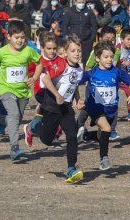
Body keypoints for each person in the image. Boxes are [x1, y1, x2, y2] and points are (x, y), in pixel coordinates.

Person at [25, 35, 85, 184]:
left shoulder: (80, 68)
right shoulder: (61, 66)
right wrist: (57, 95)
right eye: (73, 51)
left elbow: (74, 84)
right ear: (65, 52)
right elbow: (46, 80)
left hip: (66, 109)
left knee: (72, 137)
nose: (77, 53)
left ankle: (71, 168)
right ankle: (32, 129)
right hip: (52, 106)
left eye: (79, 50)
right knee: (47, 140)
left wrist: (78, 100)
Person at [0, 20, 42, 160]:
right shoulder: (1, 52)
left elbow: (39, 64)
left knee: (16, 118)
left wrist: (34, 78)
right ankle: (14, 148)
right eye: (16, 37)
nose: (20, 40)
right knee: (14, 115)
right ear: (9, 37)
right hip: (6, 90)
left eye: (22, 37)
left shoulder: (29, 51)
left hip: (23, 91)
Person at [79, 41, 130, 170]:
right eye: (106, 57)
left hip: (111, 110)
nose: (109, 59)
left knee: (102, 135)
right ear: (98, 58)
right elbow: (76, 82)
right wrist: (78, 100)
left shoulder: (117, 72)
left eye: (111, 56)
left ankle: (86, 136)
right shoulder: (91, 73)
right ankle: (104, 160)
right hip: (96, 109)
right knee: (107, 129)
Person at [23, 31, 64, 146]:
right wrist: (32, 78)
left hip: (55, 92)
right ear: (42, 48)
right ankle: (53, 134)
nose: (52, 51)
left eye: (54, 48)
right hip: (41, 92)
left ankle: (31, 129)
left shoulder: (60, 60)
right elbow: (28, 71)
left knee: (49, 114)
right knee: (55, 111)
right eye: (49, 48)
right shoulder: (38, 60)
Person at [61, 0, 97, 66]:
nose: (81, 4)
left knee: (86, 61)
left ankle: (84, 76)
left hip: (86, 41)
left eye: (82, 2)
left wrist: (91, 39)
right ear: (75, 2)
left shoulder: (89, 12)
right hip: (74, 41)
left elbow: (94, 26)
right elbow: (64, 26)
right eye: (79, 2)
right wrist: (68, 38)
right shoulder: (70, 12)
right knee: (73, 60)